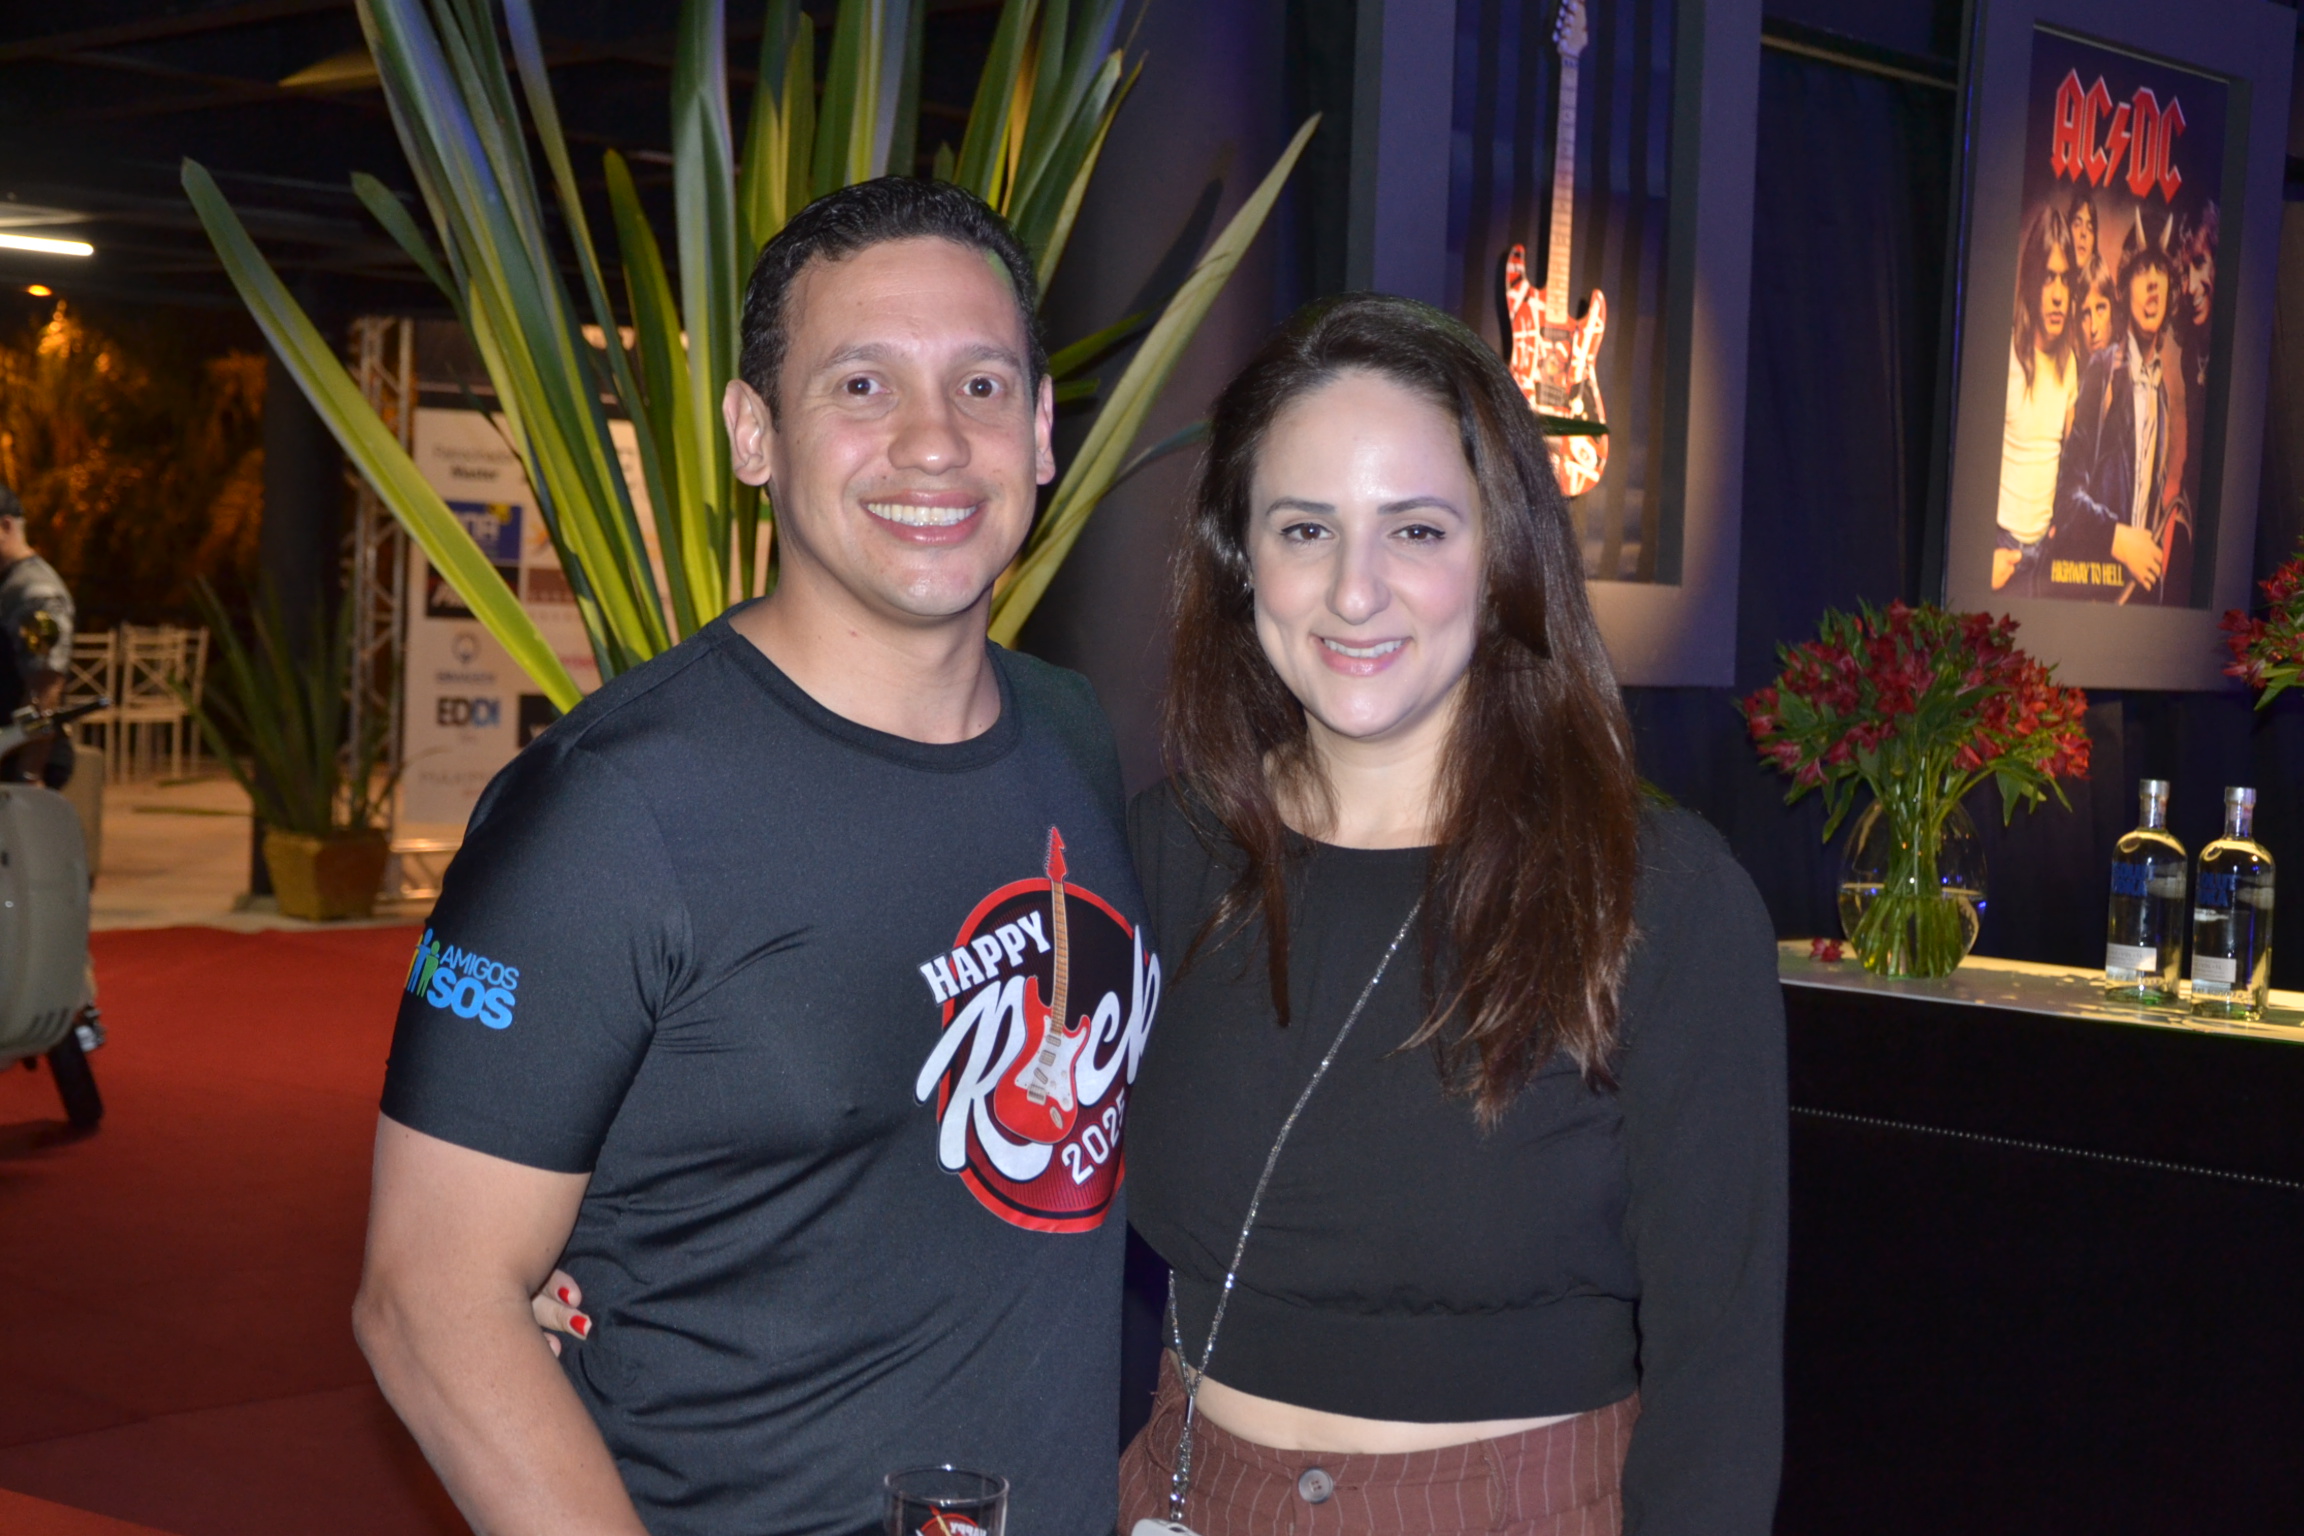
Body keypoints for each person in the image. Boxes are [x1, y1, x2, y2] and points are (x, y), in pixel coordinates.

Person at [354, 178, 1158, 1536]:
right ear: (752, 434)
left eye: (979, 386)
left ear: (1038, 434)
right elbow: (426, 1304)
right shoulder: (611, 811)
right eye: (861, 386)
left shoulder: (1071, 736)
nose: (932, 442)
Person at [1114, 295, 1785, 1534]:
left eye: (1416, 529)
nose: (1354, 590)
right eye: (1305, 528)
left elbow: (1721, 1372)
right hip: (1188, 1494)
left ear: (1504, 555)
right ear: (1239, 561)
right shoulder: (1164, 853)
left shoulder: (1656, 897)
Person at [2047, 210, 2183, 603]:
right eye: (2141, 271)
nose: (2153, 284)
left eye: (2161, 272)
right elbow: (2066, 499)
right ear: (2123, 289)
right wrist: (2118, 539)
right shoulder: (2102, 371)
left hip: (2136, 601)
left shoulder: (2161, 395)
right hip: (2092, 596)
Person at [1992, 204, 2078, 596]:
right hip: (2001, 548)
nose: (2058, 295)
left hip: (2044, 553)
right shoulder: (2005, 355)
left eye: (2065, 279)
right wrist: (1981, 553)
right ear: (2031, 281)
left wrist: (2058, 523)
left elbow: (2068, 458)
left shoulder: (2070, 363)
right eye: (2047, 278)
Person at [0, 481, 78, 785]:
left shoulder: (36, 593)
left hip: (19, 762)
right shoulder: (9, 585)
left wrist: (29, 774)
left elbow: (45, 686)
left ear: (6, 526)